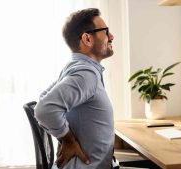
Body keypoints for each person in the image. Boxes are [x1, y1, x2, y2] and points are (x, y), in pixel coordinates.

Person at [34, 8, 115, 169]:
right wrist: (67, 139)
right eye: (106, 32)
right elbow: (44, 109)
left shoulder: (77, 67)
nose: (111, 36)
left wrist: (63, 133)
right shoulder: (86, 74)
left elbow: (43, 97)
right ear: (87, 39)